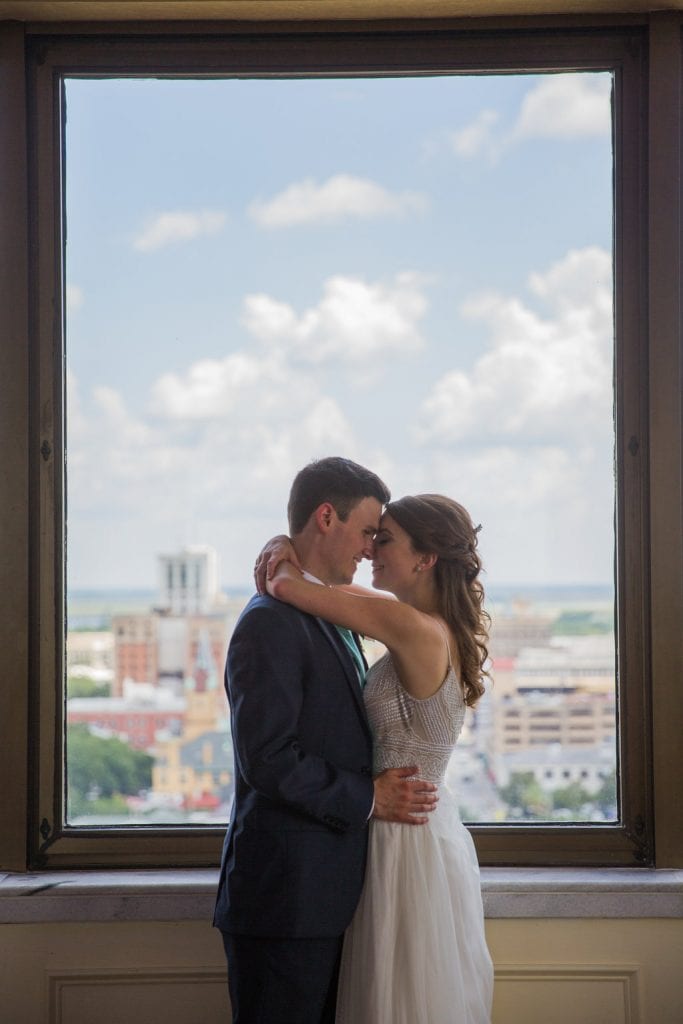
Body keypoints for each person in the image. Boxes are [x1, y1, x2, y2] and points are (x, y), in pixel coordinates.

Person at [213, 457, 439, 1024]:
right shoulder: (270, 621)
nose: (370, 549)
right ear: (325, 517)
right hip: (285, 902)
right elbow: (268, 759)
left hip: (330, 895)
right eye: (367, 532)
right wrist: (370, 797)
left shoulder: (320, 608)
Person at [259, 492, 494, 1024]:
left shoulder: (413, 629)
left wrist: (282, 554)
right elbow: (323, 585)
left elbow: (288, 587)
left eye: (384, 540)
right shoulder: (419, 621)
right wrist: (284, 543)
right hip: (412, 825)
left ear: (425, 558)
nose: (370, 551)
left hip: (403, 836)